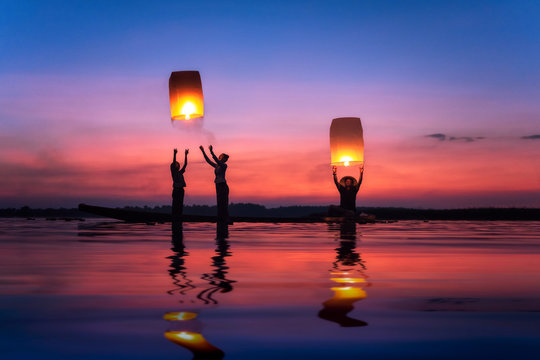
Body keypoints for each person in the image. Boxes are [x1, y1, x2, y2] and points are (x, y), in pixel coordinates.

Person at [199, 145, 230, 223]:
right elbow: (208, 161)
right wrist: (203, 151)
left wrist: (211, 152)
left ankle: (224, 219)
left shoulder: (224, 165)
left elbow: (217, 161)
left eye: (222, 157)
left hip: (222, 185)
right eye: (221, 156)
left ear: (224, 159)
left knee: (223, 202)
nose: (221, 157)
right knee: (219, 202)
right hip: (218, 184)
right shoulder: (217, 166)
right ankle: (220, 218)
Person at [171, 148, 188, 223]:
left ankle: (179, 216)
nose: (177, 165)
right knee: (175, 204)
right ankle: (175, 216)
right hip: (176, 190)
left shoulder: (180, 173)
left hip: (181, 190)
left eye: (178, 165)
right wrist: (175, 154)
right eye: (176, 165)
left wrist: (186, 155)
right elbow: (174, 161)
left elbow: (185, 165)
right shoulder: (174, 173)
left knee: (180, 204)